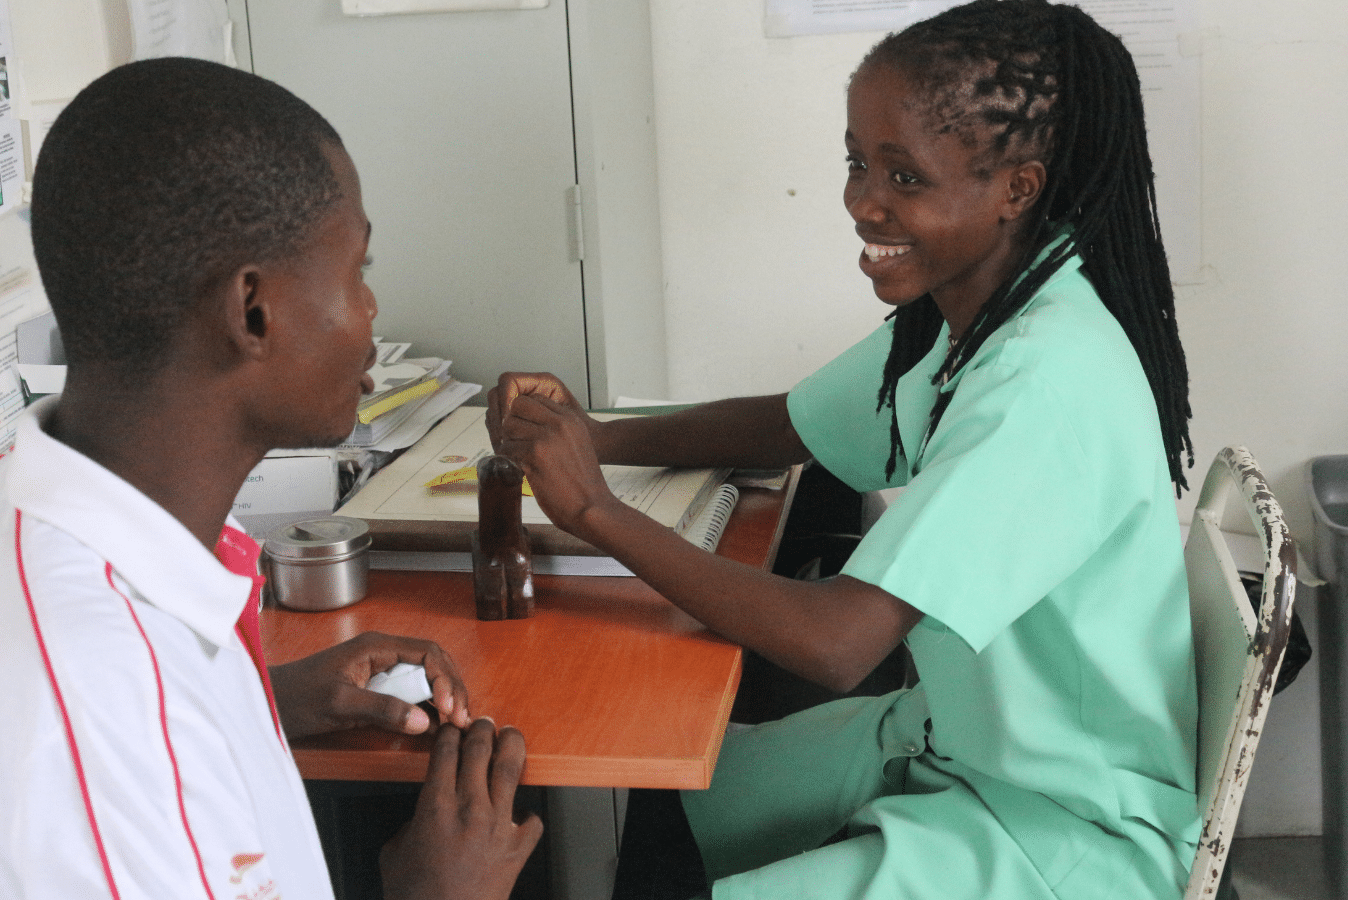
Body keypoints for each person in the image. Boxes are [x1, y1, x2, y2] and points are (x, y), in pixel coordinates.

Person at [488, 1, 1199, 898]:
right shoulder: (981, 307)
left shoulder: (1043, 384)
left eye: (904, 177)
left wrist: (596, 510)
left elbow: (836, 644)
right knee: (678, 797)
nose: (863, 203)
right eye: (860, 163)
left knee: (684, 799)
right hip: (963, 742)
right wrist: (599, 435)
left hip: (1064, 822)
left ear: (1017, 187)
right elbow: (797, 422)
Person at [1, 57, 541, 899]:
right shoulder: (101, 709)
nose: (369, 311)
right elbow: (116, 739)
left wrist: (255, 698)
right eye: (357, 270)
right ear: (251, 309)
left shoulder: (65, 530)